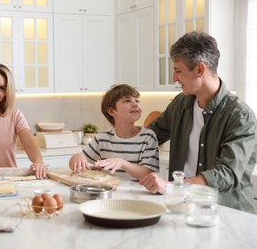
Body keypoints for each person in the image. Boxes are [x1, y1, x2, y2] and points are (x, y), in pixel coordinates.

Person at [139, 31, 257, 214]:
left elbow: (227, 173)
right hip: (183, 208)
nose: (174, 78)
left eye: (178, 70)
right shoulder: (181, 103)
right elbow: (149, 137)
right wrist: (100, 150)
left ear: (200, 69)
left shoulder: (240, 116)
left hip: (227, 214)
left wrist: (172, 187)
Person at [69, 84, 159, 180]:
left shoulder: (148, 137)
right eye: (127, 101)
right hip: (110, 192)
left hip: (137, 194)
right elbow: (75, 163)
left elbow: (147, 173)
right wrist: (76, 157)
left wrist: (122, 163)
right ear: (112, 111)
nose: (135, 104)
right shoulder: (102, 139)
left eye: (137, 100)